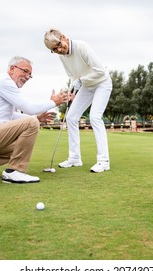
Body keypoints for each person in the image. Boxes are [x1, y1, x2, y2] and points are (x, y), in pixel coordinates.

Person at [0, 56, 67, 184]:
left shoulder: (4, 85)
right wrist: (53, 102)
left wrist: (37, 117)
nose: (28, 77)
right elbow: (28, 107)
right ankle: (15, 172)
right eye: (25, 71)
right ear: (12, 69)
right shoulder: (4, 82)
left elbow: (10, 116)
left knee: (23, 144)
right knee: (31, 124)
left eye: (30, 74)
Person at [44, 28, 113, 173]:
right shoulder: (61, 56)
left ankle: (103, 161)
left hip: (102, 83)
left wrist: (81, 80)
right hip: (86, 86)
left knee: (95, 117)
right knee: (71, 117)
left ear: (63, 37)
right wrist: (73, 91)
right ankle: (75, 158)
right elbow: (71, 75)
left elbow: (101, 71)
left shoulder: (82, 47)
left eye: (58, 45)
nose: (58, 50)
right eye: (54, 50)